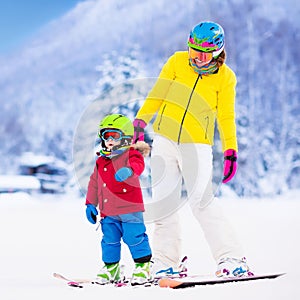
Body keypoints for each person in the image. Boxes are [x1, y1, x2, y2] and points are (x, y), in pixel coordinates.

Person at [133, 21, 252, 277]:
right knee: (164, 203)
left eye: (204, 53)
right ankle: (166, 262)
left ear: (218, 51)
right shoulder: (176, 62)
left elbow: (226, 116)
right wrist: (141, 121)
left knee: (202, 201)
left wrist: (231, 149)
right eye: (193, 50)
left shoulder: (226, 77)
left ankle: (231, 258)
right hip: (164, 140)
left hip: (196, 145)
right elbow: (158, 93)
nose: (197, 57)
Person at [85, 114, 153, 285]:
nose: (109, 140)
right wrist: (90, 204)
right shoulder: (101, 160)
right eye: (105, 135)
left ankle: (143, 266)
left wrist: (129, 171)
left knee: (134, 237)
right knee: (109, 240)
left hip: (130, 208)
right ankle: (112, 269)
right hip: (108, 212)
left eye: (114, 136)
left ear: (125, 137)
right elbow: (94, 183)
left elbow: (139, 165)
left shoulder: (131, 154)